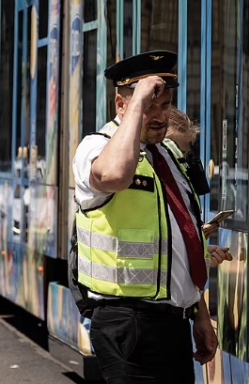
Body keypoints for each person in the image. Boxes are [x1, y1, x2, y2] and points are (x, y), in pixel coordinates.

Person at [71, 51, 217, 382]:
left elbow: (182, 242)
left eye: (164, 106)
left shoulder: (167, 156)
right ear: (120, 105)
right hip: (128, 323)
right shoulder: (96, 147)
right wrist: (137, 107)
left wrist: (200, 314)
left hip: (172, 324)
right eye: (149, 105)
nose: (158, 116)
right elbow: (115, 176)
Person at [165, 109, 232, 268]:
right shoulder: (149, 184)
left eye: (184, 155)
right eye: (175, 152)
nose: (181, 162)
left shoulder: (177, 185)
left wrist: (201, 248)